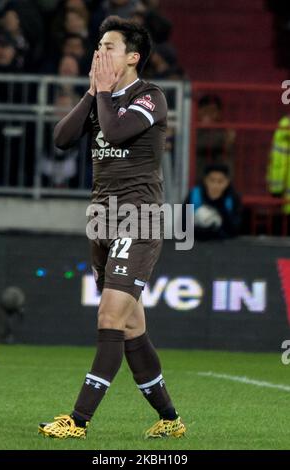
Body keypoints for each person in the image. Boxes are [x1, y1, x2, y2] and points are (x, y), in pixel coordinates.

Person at [38, 15, 186, 440]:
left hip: (138, 217)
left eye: (109, 47)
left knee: (108, 314)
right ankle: (171, 419)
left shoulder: (150, 96)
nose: (99, 52)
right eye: (98, 46)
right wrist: (91, 92)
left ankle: (78, 421)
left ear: (133, 57)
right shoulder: (101, 97)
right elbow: (62, 139)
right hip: (101, 217)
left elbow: (118, 133)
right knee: (131, 325)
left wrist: (103, 94)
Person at [184, 163, 242, 240]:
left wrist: (221, 206)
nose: (215, 185)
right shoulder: (194, 195)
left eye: (220, 181)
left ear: (227, 182)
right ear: (205, 180)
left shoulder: (233, 198)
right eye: (212, 180)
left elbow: (236, 229)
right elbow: (183, 226)